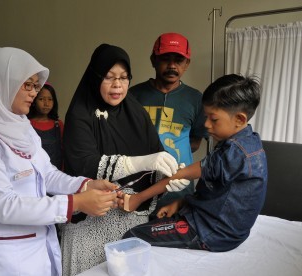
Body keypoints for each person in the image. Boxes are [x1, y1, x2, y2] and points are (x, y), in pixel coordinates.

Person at [0, 47, 119, 276]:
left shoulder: (21, 126)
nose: (33, 93)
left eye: (36, 86)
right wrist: (75, 203)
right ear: (1, 84)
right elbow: (4, 205)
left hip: (40, 246)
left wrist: (86, 185)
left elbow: (47, 173)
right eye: (27, 85)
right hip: (6, 260)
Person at [60, 43, 188, 275]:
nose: (117, 85)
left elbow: (154, 163)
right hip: (90, 225)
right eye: (109, 77)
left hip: (130, 224)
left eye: (123, 77)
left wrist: (169, 176)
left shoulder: (136, 113)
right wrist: (139, 162)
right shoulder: (80, 114)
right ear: (96, 77)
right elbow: (84, 163)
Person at [123, 74, 267, 252]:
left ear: (239, 119)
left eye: (213, 119)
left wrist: (137, 199)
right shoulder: (250, 142)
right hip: (223, 228)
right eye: (205, 117)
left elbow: (180, 175)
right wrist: (180, 203)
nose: (206, 124)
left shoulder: (233, 153)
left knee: (132, 236)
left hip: (211, 232)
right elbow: (218, 193)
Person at [129, 32, 208, 200]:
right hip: (138, 185)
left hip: (178, 188)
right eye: (165, 59)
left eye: (178, 60)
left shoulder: (195, 99)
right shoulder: (133, 96)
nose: (172, 66)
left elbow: (195, 142)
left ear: (187, 63)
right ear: (153, 60)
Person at [27, 82, 64, 170]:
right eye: (41, 99)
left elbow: (63, 150)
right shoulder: (27, 124)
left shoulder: (58, 124)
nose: (46, 103)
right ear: (34, 100)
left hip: (57, 174)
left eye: (50, 99)